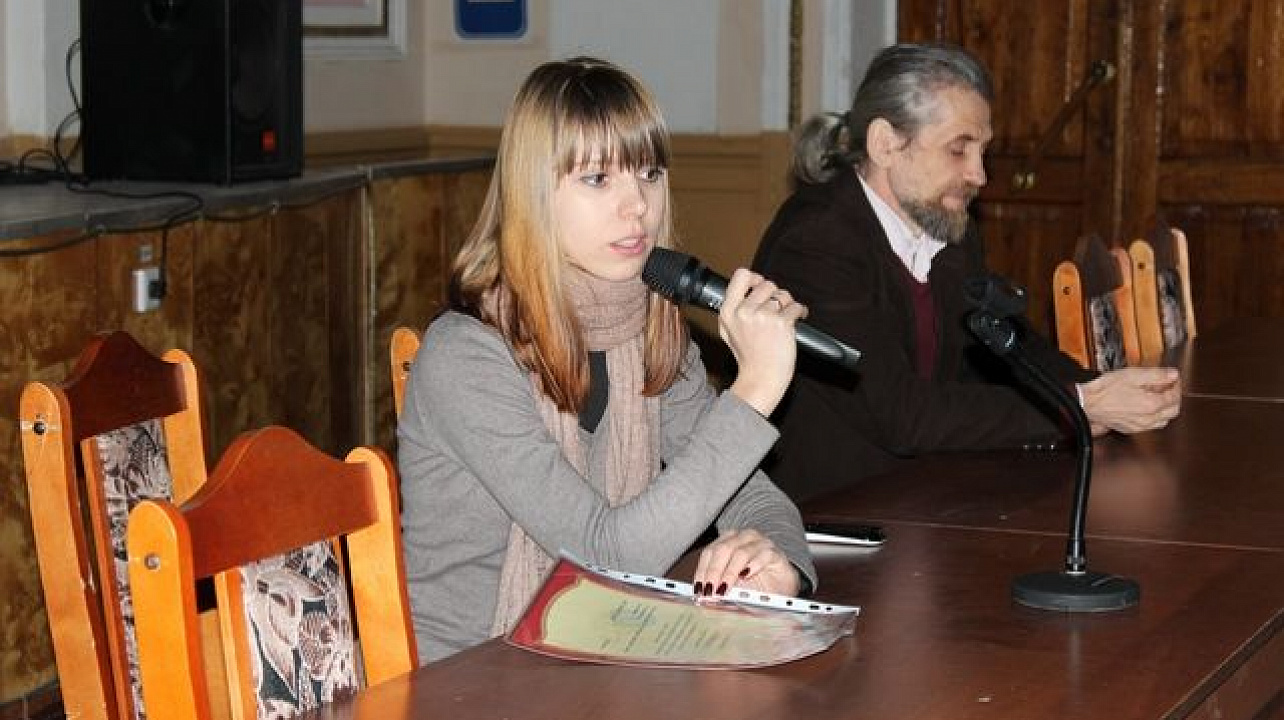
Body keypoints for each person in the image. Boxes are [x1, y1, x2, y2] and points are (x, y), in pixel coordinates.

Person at [397, 56, 816, 663]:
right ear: (534, 195)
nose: (637, 205)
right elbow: (605, 556)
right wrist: (752, 393)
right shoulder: (465, 356)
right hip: (471, 675)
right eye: (598, 179)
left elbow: (756, 499)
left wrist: (776, 563)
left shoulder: (651, 330)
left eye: (649, 173)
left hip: (605, 656)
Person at [751, 42, 1183, 503]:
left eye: (982, 151)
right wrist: (1078, 406)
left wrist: (1104, 389)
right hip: (830, 512)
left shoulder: (948, 228)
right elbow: (903, 415)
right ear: (885, 144)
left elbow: (1010, 347)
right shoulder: (815, 243)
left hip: (926, 492)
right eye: (959, 150)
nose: (979, 175)